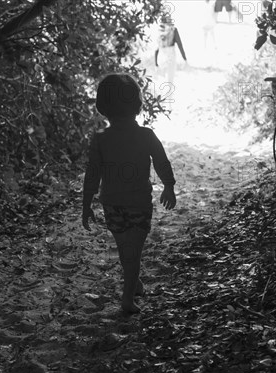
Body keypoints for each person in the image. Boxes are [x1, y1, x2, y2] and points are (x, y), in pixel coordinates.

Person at [82, 73, 177, 314]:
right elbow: (161, 161)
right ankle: (127, 300)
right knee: (133, 249)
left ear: (103, 107)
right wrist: (168, 186)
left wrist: (86, 204)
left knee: (127, 248)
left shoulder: (101, 139)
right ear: (137, 104)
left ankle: (134, 283)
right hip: (138, 203)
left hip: (112, 205)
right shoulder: (146, 135)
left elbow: (92, 174)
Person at [154, 15, 187, 85]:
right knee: (170, 81)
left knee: (162, 82)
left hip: (161, 58)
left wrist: (156, 64)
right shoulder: (173, 30)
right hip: (170, 57)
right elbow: (180, 45)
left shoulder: (159, 30)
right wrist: (184, 58)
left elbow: (156, 49)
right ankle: (169, 95)